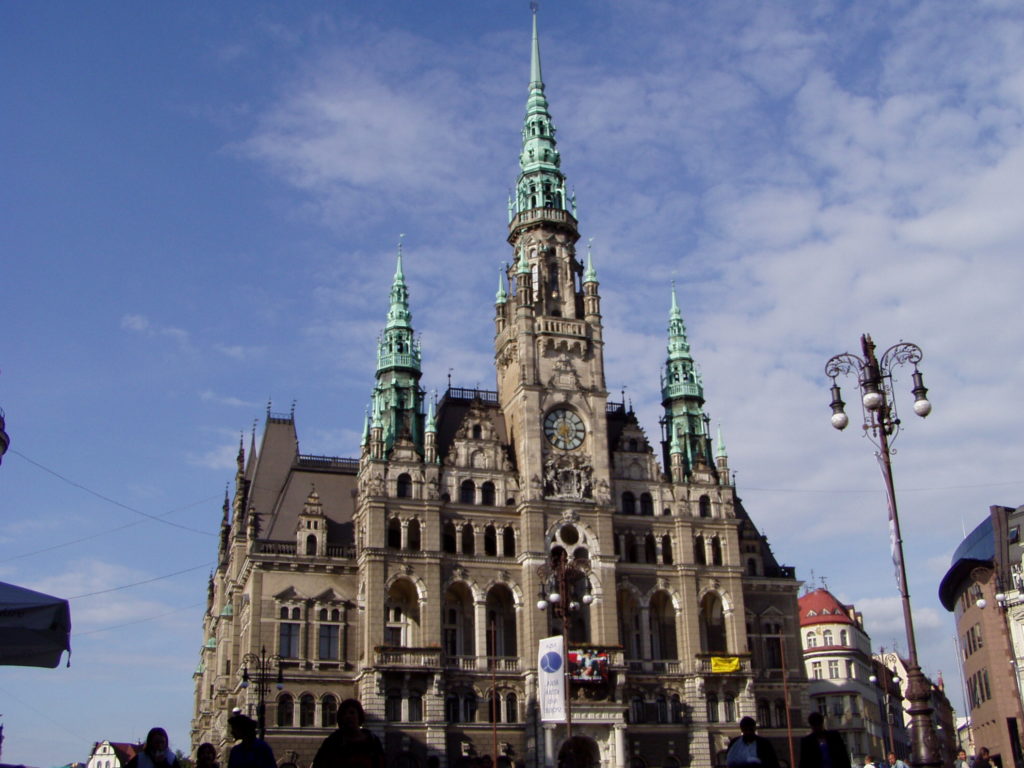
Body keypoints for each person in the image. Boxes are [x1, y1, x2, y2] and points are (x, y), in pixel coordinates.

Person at [312, 698, 385, 768]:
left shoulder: (372, 741)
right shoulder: (332, 742)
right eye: (344, 714)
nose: (348, 716)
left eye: (352, 712)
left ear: (359, 716)